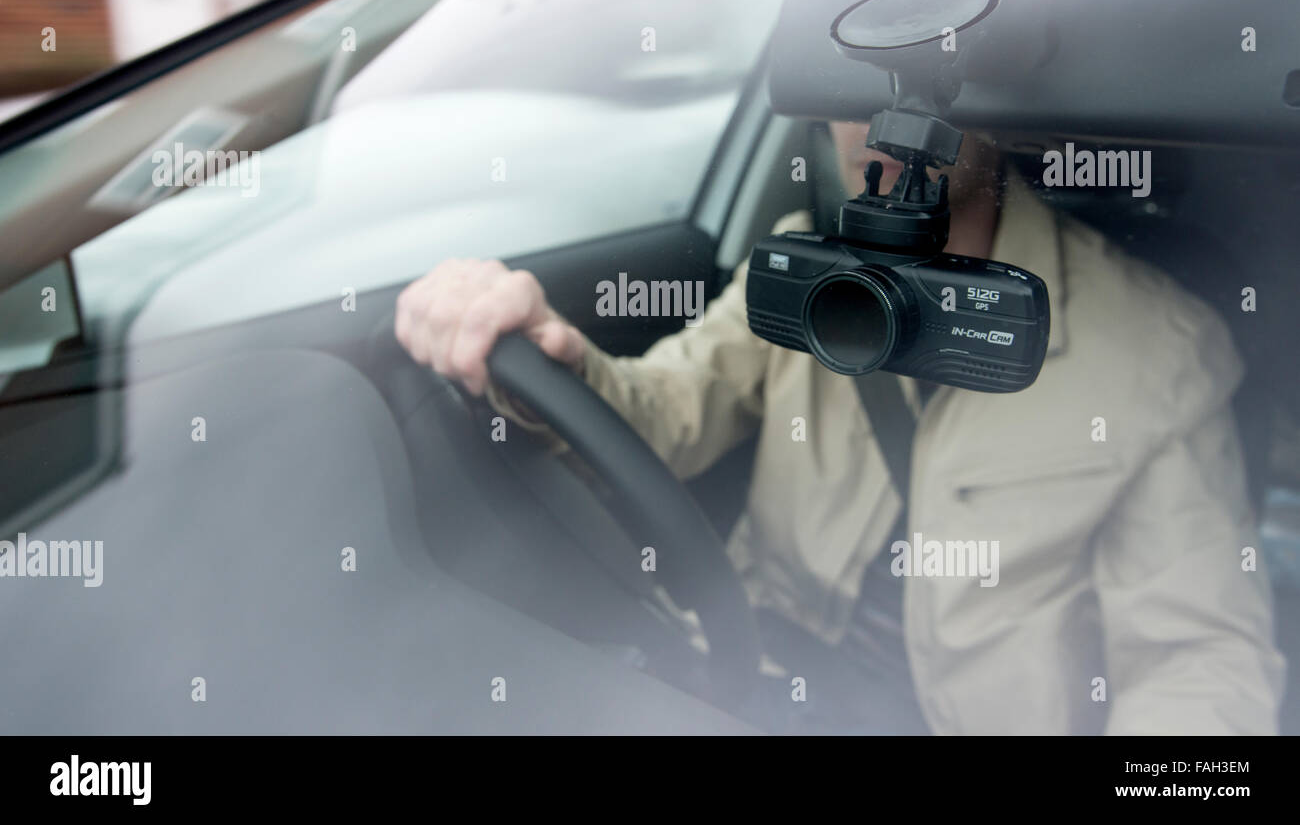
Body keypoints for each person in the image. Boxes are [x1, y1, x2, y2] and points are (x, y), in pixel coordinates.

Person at [394, 120, 1285, 734]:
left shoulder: (1156, 349)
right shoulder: (796, 271)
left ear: (995, 92)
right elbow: (659, 416)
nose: (879, 118)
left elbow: (1198, 662)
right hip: (734, 685)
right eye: (848, 70)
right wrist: (546, 358)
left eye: (917, 67)